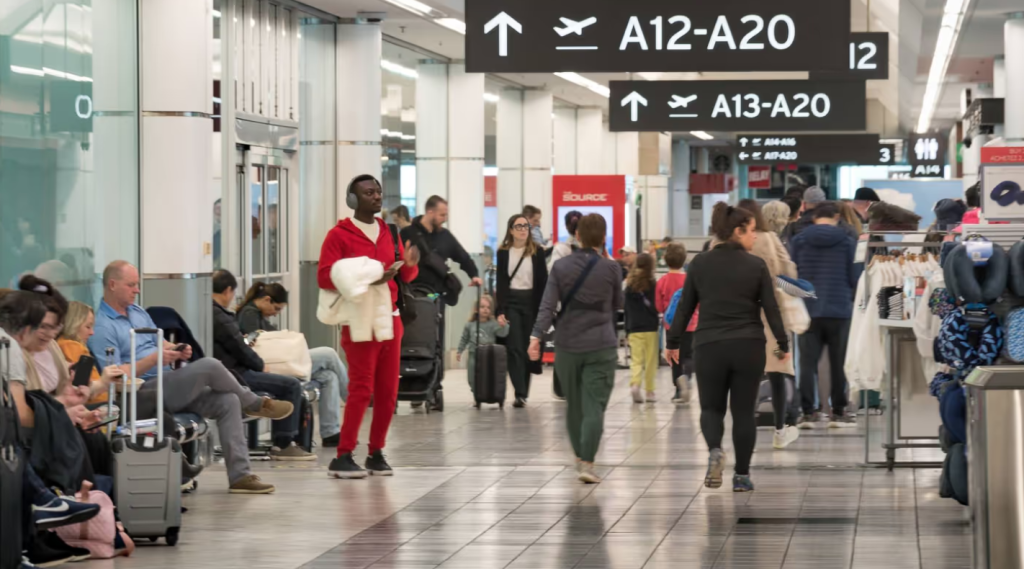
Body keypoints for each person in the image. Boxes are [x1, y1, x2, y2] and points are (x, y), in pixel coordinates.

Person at [89, 261, 292, 494]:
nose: (137, 290)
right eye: (131, 285)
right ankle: (254, 403)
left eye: (137, 284)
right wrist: (154, 359)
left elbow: (159, 343)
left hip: (168, 383)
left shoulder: (137, 312)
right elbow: (114, 377)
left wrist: (174, 349)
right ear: (112, 285)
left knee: (228, 401)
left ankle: (241, 476)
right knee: (209, 366)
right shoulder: (103, 327)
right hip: (142, 392)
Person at [665, 203, 789, 493]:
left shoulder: (699, 264)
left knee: (711, 408)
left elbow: (684, 308)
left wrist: (672, 343)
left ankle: (714, 451)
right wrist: (782, 343)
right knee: (744, 412)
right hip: (748, 346)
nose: (755, 237)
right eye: (752, 231)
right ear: (737, 231)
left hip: (709, 345)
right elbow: (771, 309)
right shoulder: (756, 265)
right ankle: (742, 476)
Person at [318, 174, 420, 479]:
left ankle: (376, 452)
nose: (376, 197)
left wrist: (410, 265)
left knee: (388, 391)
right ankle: (344, 454)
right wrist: (369, 278)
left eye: (378, 192)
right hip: (359, 319)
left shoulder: (389, 231)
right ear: (353, 199)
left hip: (390, 319)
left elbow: (405, 278)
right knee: (362, 388)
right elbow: (325, 277)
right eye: (368, 193)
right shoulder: (339, 235)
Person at [528, 214, 623, 484]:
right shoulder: (612, 269)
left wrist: (536, 335)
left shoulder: (561, 267)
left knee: (574, 406)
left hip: (567, 345)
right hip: (601, 345)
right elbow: (618, 302)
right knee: (594, 406)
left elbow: (547, 306)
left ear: (577, 236)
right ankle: (587, 462)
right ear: (603, 237)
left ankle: (580, 456)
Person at [211, 270, 315, 461]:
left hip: (233, 370)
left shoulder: (212, 314)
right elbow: (240, 349)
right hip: (238, 374)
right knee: (291, 384)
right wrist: (261, 365)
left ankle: (288, 440)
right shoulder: (221, 317)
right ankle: (284, 444)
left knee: (292, 382)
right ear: (227, 291)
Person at [236, 281, 347, 446]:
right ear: (267, 300)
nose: (275, 314)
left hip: (278, 364)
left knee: (328, 376)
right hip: (271, 365)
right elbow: (261, 345)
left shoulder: (256, 315)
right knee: (328, 354)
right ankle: (355, 399)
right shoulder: (249, 314)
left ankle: (330, 433)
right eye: (277, 309)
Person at [736, 200, 801, 449]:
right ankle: (780, 429)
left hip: (741, 317)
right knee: (776, 371)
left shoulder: (727, 242)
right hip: (771, 318)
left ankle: (746, 422)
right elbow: (789, 272)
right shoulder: (770, 239)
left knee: (747, 373)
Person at [788, 202, 858, 429]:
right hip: (840, 309)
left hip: (808, 310)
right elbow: (854, 277)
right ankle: (838, 411)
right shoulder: (847, 241)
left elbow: (791, 275)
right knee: (839, 363)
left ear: (815, 217)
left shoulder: (798, 240)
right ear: (836, 217)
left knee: (807, 363)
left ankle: (808, 412)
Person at [496, 214, 549, 407]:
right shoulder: (503, 252)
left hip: (532, 303)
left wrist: (545, 309)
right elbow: (501, 282)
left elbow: (543, 283)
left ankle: (524, 391)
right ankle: (519, 392)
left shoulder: (537, 252)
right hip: (512, 302)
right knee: (514, 347)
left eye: (525, 226)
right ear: (511, 230)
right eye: (518, 226)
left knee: (529, 347)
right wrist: (500, 309)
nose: (522, 229)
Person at [656, 243, 694, 405]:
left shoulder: (662, 281)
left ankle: (678, 389)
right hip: (691, 324)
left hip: (671, 326)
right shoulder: (690, 280)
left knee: (675, 357)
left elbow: (658, 305)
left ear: (665, 259)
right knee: (689, 355)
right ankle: (688, 377)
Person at [624, 253, 660, 404]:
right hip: (650, 327)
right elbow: (656, 306)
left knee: (636, 360)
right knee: (651, 361)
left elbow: (625, 309)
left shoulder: (629, 285)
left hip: (634, 327)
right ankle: (650, 392)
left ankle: (635, 385)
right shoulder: (653, 284)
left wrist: (627, 330)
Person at [456, 294, 508, 392]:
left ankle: (485, 391)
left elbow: (502, 334)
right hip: (473, 354)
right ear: (476, 309)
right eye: (482, 307)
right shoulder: (470, 325)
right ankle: (475, 391)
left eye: (488, 307)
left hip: (488, 355)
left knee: (486, 375)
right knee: (472, 376)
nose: (485, 310)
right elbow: (464, 338)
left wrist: (504, 325)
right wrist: (459, 351)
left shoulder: (493, 324)